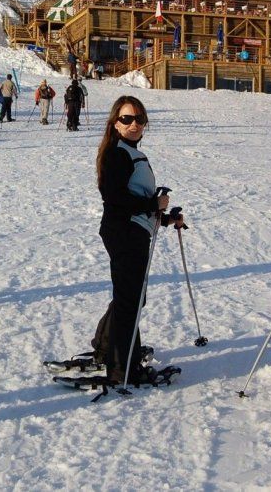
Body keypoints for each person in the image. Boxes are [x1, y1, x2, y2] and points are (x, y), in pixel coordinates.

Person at [90, 96, 185, 384]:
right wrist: (154, 206)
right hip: (124, 232)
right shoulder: (117, 153)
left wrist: (166, 218)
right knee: (130, 298)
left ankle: (109, 346)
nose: (134, 125)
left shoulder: (129, 152)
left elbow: (137, 200)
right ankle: (122, 368)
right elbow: (114, 198)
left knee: (131, 296)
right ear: (115, 123)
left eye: (139, 119)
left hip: (132, 230)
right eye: (127, 119)